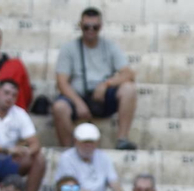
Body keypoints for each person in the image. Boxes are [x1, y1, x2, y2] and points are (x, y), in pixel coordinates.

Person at [53, 8, 139, 150]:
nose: (91, 30)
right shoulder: (69, 48)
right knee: (59, 107)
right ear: (80, 26)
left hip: (103, 96)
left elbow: (129, 74)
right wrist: (78, 102)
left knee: (129, 88)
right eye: (87, 27)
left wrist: (106, 84)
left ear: (101, 27)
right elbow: (61, 82)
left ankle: (122, 139)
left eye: (95, 27)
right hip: (78, 96)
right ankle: (69, 150)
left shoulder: (110, 46)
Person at [0, 79, 46, 191]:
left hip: (9, 161)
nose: (10, 97)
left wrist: (26, 152)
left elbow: (35, 143)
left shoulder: (20, 114)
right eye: (6, 93)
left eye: (14, 95)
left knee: (39, 158)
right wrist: (7, 150)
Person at [54, 123, 124, 191]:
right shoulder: (67, 158)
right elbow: (72, 189)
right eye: (84, 142)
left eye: (91, 142)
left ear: (97, 142)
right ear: (76, 141)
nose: (88, 145)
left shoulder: (103, 157)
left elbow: (114, 183)